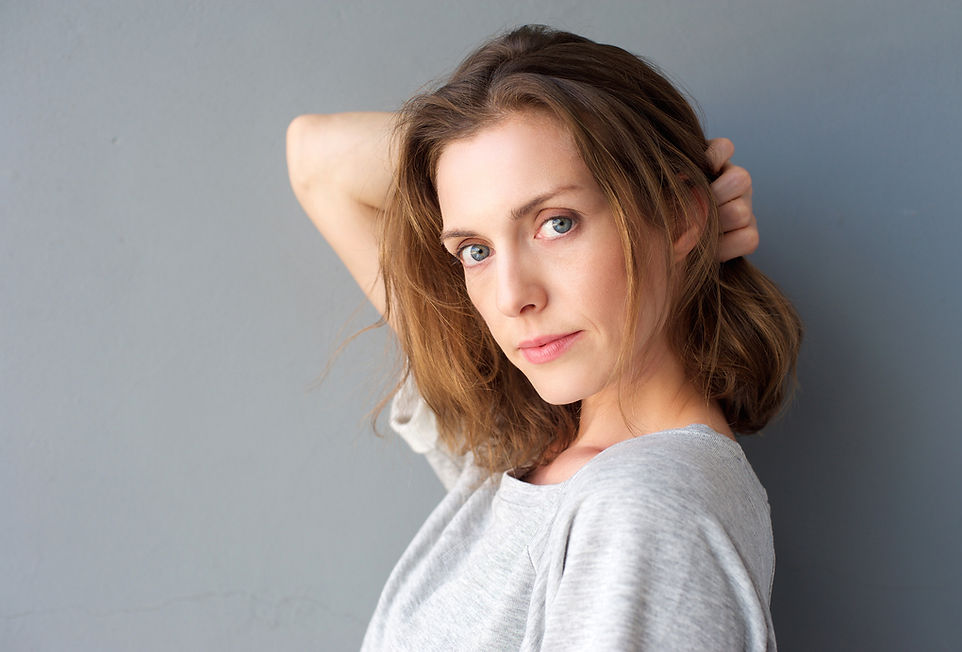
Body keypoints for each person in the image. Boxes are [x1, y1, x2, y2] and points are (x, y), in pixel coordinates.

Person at [287, 25, 800, 651]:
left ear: (680, 215)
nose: (511, 297)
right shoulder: (527, 443)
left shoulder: (643, 510)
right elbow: (315, 157)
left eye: (557, 224)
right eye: (474, 249)